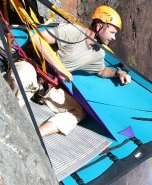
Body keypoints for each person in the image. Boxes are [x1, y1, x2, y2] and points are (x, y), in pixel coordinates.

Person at [30, 5, 131, 136]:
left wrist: (118, 73)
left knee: (78, 112)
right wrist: (59, 68)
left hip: (47, 85)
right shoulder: (74, 32)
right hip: (33, 70)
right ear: (99, 25)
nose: (114, 38)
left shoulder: (98, 53)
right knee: (21, 79)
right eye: (112, 32)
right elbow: (37, 39)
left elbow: (100, 70)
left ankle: (36, 135)